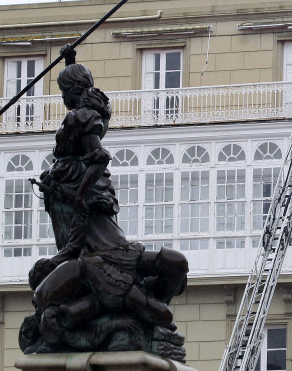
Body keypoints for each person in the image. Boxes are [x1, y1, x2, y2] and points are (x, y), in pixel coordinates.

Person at [22, 46, 188, 359]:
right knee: (173, 267)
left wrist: (82, 194)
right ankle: (152, 313)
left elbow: (98, 156)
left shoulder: (82, 120)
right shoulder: (91, 114)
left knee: (172, 269)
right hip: (98, 247)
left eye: (63, 92)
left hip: (105, 248)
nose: (63, 100)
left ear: (70, 93)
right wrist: (71, 63)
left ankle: (153, 312)